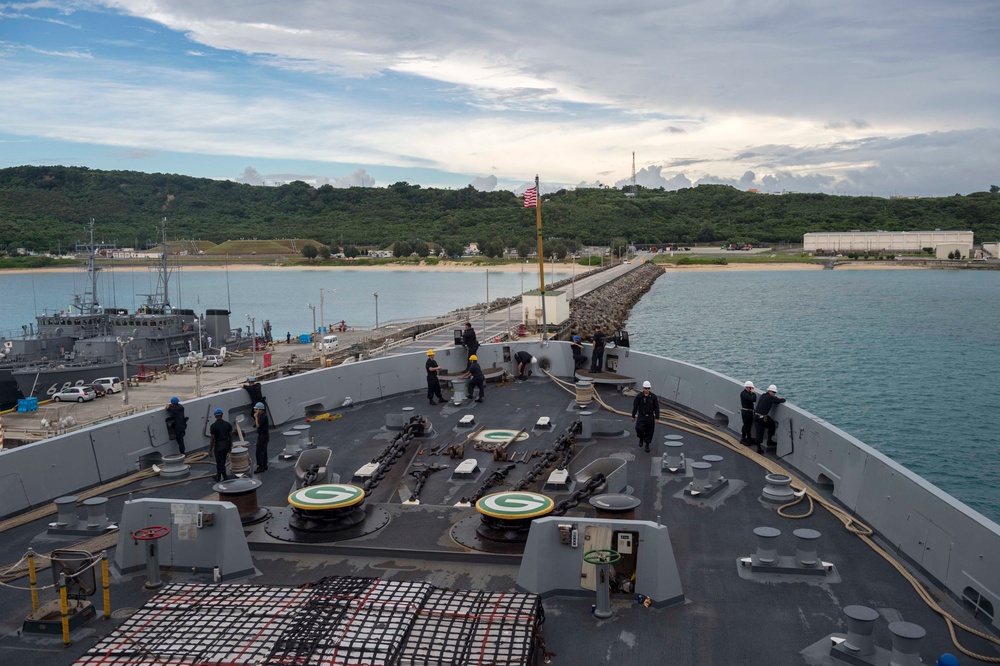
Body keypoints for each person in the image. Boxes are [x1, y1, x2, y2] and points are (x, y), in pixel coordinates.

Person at [754, 384, 786, 453]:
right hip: (762, 417)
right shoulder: (770, 398)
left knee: (759, 432)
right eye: (774, 392)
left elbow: (773, 399)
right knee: (772, 425)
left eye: (775, 393)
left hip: (756, 416)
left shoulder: (763, 395)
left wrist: (776, 398)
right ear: (770, 391)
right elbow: (782, 400)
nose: (774, 394)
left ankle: (758, 448)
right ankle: (769, 440)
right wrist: (780, 398)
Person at [631, 380, 660, 452]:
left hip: (650, 416)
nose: (647, 390)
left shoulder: (653, 397)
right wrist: (633, 416)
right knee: (639, 429)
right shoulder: (639, 397)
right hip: (642, 416)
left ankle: (647, 445)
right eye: (646, 388)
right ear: (643, 388)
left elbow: (657, 407)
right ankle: (641, 438)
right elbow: (635, 406)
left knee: (649, 431)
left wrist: (657, 417)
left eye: (648, 388)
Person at [208, 408, 234, 481]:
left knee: (219, 462)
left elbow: (212, 438)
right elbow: (230, 436)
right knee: (222, 461)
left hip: (218, 446)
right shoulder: (227, 424)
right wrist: (230, 446)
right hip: (226, 445)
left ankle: (225, 477)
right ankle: (218, 476)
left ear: (215, 416)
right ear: (222, 415)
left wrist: (210, 450)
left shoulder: (213, 426)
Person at [252, 402, 270, 473]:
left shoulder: (263, 417)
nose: (255, 411)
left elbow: (258, 425)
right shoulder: (262, 416)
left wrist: (256, 417)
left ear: (260, 409)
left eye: (256, 409)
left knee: (259, 451)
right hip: (265, 436)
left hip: (262, 436)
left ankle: (260, 466)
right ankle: (264, 465)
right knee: (264, 450)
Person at [739, 381, 757, 445]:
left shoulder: (747, 393)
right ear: (748, 387)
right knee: (746, 425)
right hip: (746, 411)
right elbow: (753, 399)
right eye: (751, 388)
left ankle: (749, 438)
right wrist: (754, 393)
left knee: (749, 425)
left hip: (749, 411)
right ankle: (743, 439)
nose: (752, 389)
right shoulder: (744, 394)